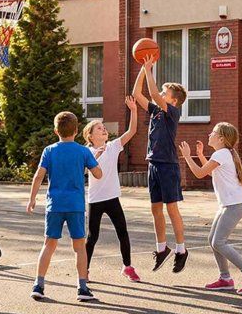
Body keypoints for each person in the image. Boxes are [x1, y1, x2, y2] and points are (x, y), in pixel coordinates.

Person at [27, 111, 104, 301]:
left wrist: (32, 198)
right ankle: (82, 288)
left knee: (49, 244)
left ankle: (38, 284)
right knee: (79, 247)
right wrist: (92, 162)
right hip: (75, 205)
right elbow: (98, 174)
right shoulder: (83, 151)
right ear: (76, 131)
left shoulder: (49, 151)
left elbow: (38, 175)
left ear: (56, 131)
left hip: (54, 205)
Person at [179, 123, 242, 294]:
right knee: (213, 240)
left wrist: (187, 156)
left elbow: (200, 173)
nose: (209, 134)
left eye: (213, 132)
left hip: (234, 205)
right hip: (229, 204)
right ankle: (225, 279)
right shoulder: (224, 154)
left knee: (219, 242)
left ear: (221, 139)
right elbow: (211, 172)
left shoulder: (221, 154)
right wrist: (200, 156)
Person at [133, 56, 189, 273]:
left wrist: (149, 70)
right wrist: (142, 68)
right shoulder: (156, 111)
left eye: (166, 94)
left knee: (171, 208)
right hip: (154, 164)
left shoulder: (172, 112)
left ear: (173, 101)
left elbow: (154, 94)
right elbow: (137, 94)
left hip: (168, 165)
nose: (161, 95)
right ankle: (161, 248)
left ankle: (181, 250)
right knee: (155, 208)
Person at [82, 96, 141, 282]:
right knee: (92, 237)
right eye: (99, 128)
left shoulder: (113, 146)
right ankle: (84, 270)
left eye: (103, 127)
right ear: (90, 136)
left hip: (112, 198)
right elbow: (84, 170)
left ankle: (127, 267)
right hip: (95, 200)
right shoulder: (87, 151)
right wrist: (96, 156)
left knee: (123, 232)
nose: (103, 129)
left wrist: (134, 110)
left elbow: (132, 131)